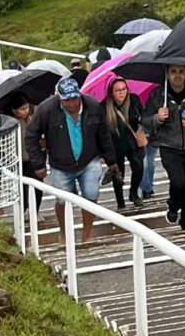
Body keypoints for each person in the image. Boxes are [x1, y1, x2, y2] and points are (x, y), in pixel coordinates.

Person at [26, 77, 117, 244]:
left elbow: (103, 133)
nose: (72, 103)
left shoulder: (93, 106)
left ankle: (87, 232)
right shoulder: (46, 109)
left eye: (75, 98)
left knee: (91, 196)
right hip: (60, 164)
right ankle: (64, 231)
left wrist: (111, 160)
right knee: (62, 200)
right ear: (60, 98)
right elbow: (31, 135)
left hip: (89, 159)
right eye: (67, 99)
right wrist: (38, 163)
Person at [142, 65, 185, 231]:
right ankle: (173, 205)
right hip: (169, 146)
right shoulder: (158, 94)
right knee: (179, 182)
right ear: (166, 74)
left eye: (181, 71)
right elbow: (145, 121)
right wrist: (157, 118)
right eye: (173, 71)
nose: (177, 75)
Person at [102, 76, 146, 211]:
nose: (122, 93)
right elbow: (101, 130)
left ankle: (134, 193)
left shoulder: (134, 100)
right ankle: (120, 200)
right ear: (111, 93)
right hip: (114, 143)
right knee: (117, 172)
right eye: (118, 90)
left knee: (138, 167)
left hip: (132, 140)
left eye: (124, 89)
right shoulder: (104, 107)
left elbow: (142, 116)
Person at [6, 91, 43, 216]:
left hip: (34, 157)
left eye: (27, 107)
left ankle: (35, 211)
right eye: (22, 109)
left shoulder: (33, 118)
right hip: (18, 159)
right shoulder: (9, 123)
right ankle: (24, 209)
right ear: (13, 110)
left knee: (37, 185)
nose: (26, 111)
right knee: (21, 187)